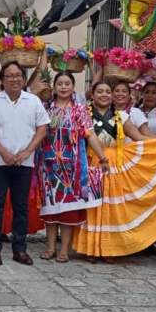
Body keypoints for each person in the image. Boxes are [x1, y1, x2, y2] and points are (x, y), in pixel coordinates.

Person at [73, 81, 156, 261]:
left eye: (108, 91)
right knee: (93, 205)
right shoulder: (85, 114)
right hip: (92, 162)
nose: (104, 95)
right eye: (100, 91)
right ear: (93, 94)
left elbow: (138, 137)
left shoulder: (121, 116)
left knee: (112, 207)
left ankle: (109, 249)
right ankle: (92, 248)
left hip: (115, 165)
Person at [37, 72, 108, 263]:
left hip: (72, 167)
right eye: (59, 83)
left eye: (67, 83)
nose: (63, 87)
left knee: (68, 208)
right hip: (48, 165)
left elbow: (90, 135)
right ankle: (50, 247)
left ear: (73, 86)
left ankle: (64, 250)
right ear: (54, 86)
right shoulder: (45, 108)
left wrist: (102, 157)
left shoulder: (79, 110)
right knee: (50, 207)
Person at [0, 62, 49, 266]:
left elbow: (42, 128)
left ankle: (19, 249)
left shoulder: (33, 101)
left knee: (21, 206)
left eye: (18, 75)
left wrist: (28, 151)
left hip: (25, 161)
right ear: (2, 79)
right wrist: (3, 152)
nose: (15, 79)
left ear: (23, 77)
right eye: (10, 75)